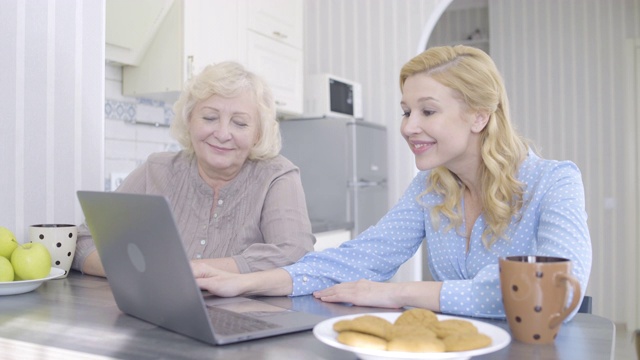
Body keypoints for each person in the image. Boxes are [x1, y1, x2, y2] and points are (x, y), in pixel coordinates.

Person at [191, 46, 592, 320]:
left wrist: (399, 293)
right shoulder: (432, 190)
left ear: (479, 117)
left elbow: (556, 292)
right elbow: (356, 259)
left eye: (427, 111)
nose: (408, 126)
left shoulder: (554, 182)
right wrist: (246, 283)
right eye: (406, 111)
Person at [72, 61, 315, 277]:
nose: (222, 134)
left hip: (247, 318)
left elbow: (295, 254)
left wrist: (189, 271)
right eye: (209, 118)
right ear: (189, 121)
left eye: (239, 123)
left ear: (257, 134)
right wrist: (144, 272)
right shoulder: (157, 169)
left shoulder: (276, 175)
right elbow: (84, 241)